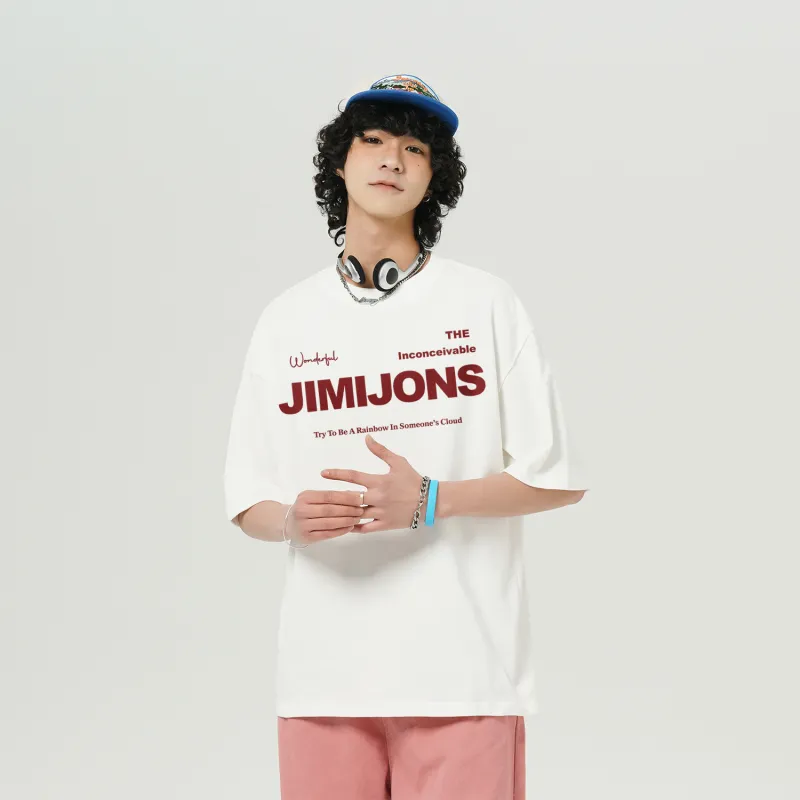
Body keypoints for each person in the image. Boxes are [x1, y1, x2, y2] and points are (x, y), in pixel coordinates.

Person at [223, 73, 590, 800]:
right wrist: (291, 519)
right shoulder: (285, 320)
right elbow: (248, 501)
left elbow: (557, 478)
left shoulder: (484, 303)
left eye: (415, 148)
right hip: (322, 683)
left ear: (433, 178)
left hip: (463, 676)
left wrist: (431, 500)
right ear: (341, 162)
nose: (392, 158)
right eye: (374, 140)